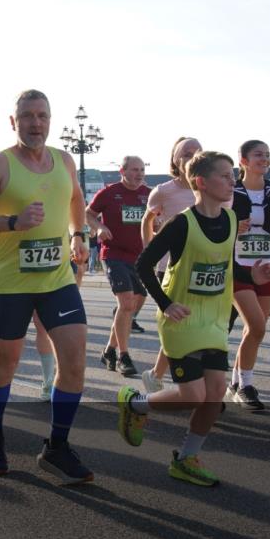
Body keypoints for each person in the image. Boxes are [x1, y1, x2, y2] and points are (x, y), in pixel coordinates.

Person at [119, 151, 270, 486]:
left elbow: (225, 265)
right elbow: (143, 264)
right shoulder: (182, 224)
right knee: (193, 394)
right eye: (225, 176)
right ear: (202, 182)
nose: (232, 181)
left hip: (214, 321)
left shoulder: (231, 220)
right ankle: (136, 404)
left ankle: (186, 458)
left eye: (233, 175)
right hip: (182, 319)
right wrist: (165, 304)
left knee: (215, 393)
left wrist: (253, 276)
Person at [0, 89, 92, 482]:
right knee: (5, 365)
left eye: (42, 116)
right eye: (28, 116)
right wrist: (12, 223)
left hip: (57, 279)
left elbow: (76, 201)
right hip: (12, 283)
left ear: (50, 120)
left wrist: (79, 234)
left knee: (75, 362)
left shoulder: (64, 160)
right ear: (13, 121)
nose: (36, 123)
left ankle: (57, 446)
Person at [226, 140, 270, 411]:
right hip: (237, 267)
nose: (264, 159)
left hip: (266, 267)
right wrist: (234, 227)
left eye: (267, 155)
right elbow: (214, 228)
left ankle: (235, 382)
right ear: (243, 160)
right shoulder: (231, 191)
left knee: (253, 330)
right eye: (258, 155)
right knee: (257, 327)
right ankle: (247, 386)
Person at [139, 136, 203, 392]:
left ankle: (158, 374)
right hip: (171, 268)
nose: (192, 156)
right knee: (179, 324)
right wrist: (150, 251)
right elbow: (147, 220)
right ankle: (183, 381)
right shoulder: (164, 191)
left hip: (203, 268)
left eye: (197, 151)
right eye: (186, 153)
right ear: (175, 160)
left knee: (195, 325)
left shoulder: (209, 186)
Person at [87, 156, 151, 378]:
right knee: (126, 303)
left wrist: (158, 224)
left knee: (135, 303)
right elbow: (88, 214)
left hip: (139, 257)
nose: (139, 174)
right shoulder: (109, 192)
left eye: (142, 170)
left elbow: (156, 219)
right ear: (122, 171)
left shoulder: (149, 194)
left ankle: (109, 350)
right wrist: (99, 227)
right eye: (134, 170)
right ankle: (124, 356)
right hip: (114, 254)